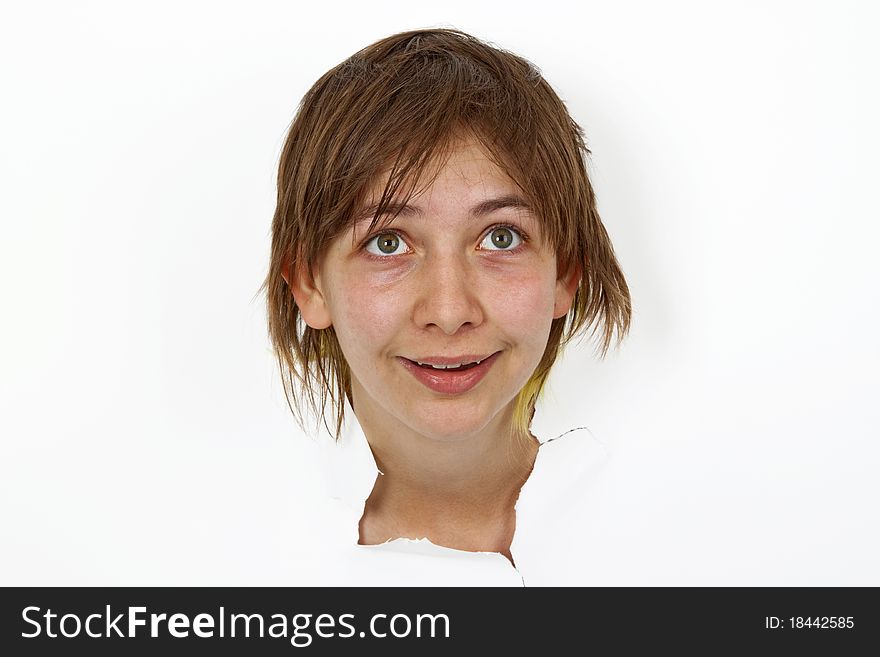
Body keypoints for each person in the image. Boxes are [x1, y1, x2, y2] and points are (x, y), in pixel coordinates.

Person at [261, 27, 631, 585]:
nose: (450, 310)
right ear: (309, 284)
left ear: (566, 272)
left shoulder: (681, 540)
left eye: (501, 238)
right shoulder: (225, 558)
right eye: (388, 243)